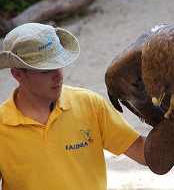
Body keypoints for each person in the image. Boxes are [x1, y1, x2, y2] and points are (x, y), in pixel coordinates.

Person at [0, 23, 146, 190]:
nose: (58, 76)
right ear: (17, 74)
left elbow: (143, 153)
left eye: (59, 64)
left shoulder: (90, 104)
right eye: (46, 70)